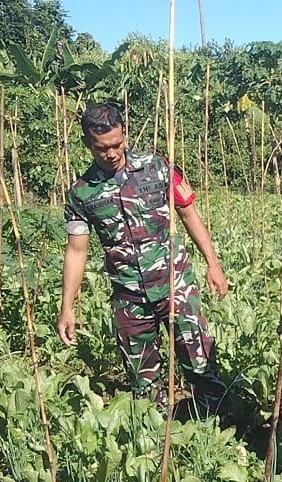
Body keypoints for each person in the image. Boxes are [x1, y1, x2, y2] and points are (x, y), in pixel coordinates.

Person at [57, 103, 230, 417]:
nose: (111, 153)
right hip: (129, 298)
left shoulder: (157, 166)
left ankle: (213, 430)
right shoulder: (82, 194)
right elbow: (76, 250)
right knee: (144, 381)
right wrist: (67, 306)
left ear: (124, 134)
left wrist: (212, 263)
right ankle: (159, 440)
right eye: (102, 149)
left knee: (200, 362)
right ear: (87, 144)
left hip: (175, 284)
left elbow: (188, 211)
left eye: (117, 144)